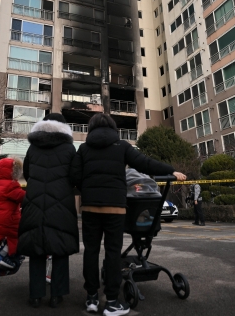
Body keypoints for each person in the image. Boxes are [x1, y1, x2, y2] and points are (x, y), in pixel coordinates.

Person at [71, 113, 186, 316]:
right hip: (115, 208)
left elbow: (75, 176)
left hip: (90, 207)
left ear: (91, 128)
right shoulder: (122, 146)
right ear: (113, 127)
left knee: (91, 251)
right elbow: (145, 164)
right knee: (113, 252)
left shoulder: (83, 148)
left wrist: (88, 191)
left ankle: (91, 298)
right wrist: (171, 170)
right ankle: (112, 302)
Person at [17, 113, 79, 308]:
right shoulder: (69, 148)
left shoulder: (33, 147)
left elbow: (27, 173)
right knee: (60, 247)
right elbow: (75, 175)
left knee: (37, 248)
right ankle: (57, 295)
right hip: (61, 202)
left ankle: (35, 295)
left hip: (34, 201)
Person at [0, 157, 26, 269]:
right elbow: (23, 197)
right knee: (17, 237)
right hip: (6, 221)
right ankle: (4, 256)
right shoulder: (11, 185)